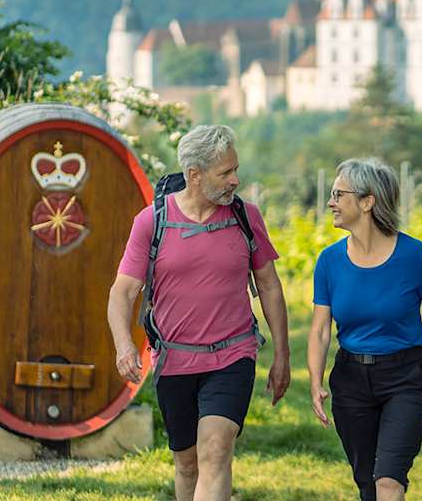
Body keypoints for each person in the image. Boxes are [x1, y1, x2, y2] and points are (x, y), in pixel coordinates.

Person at [106, 125, 290, 501]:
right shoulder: (152, 222)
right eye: (225, 173)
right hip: (174, 360)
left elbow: (269, 285)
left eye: (235, 169)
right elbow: (123, 291)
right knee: (187, 463)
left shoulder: (246, 217)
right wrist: (124, 345)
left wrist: (282, 354)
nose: (235, 180)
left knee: (216, 450)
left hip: (233, 355)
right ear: (195, 175)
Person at [307, 157, 422, 501]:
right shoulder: (329, 261)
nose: (331, 203)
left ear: (367, 202)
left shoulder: (414, 255)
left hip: (407, 378)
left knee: (388, 479)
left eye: (339, 195)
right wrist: (315, 380)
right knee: (368, 484)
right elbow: (321, 329)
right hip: (351, 380)